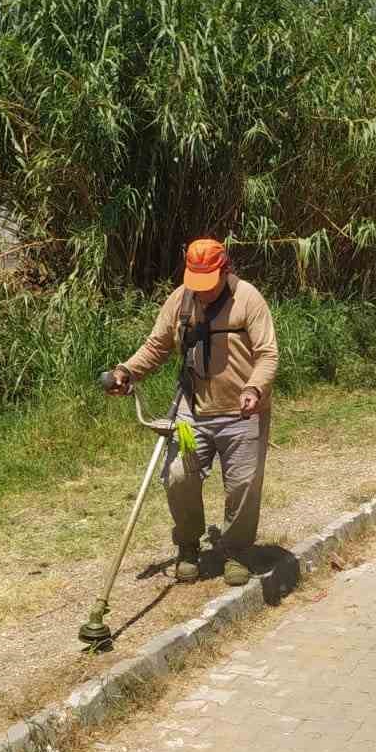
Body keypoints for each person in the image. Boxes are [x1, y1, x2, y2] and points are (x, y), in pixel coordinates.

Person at [106, 238, 278, 587]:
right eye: (196, 282)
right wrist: (126, 371)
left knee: (243, 484)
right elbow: (157, 346)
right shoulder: (180, 299)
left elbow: (267, 354)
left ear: (225, 269)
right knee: (177, 475)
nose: (202, 291)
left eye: (209, 283)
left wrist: (253, 388)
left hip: (242, 411)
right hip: (192, 410)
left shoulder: (248, 299)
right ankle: (188, 546)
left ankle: (236, 551)